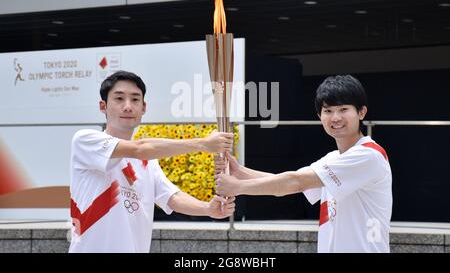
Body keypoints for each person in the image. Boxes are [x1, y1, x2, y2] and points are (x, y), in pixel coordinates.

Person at [215, 75, 392, 253]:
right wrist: (240, 172)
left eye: (343, 109)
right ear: (319, 116)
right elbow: (291, 183)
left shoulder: (369, 155)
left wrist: (237, 187)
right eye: (328, 111)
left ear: (362, 112)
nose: (335, 117)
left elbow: (295, 182)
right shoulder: (334, 159)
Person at [69, 70, 235, 253]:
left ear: (144, 107)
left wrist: (207, 209)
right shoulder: (85, 141)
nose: (127, 106)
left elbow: (172, 197)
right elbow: (139, 148)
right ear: (103, 106)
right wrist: (202, 144)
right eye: (118, 99)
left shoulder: (148, 163)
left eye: (135, 99)